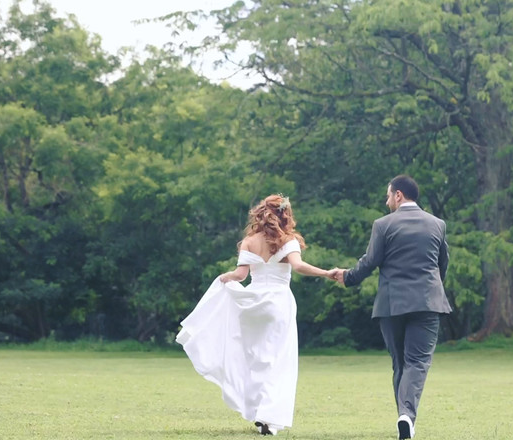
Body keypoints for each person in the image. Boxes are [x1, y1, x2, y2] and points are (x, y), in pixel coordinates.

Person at [176, 194, 338, 436]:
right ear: (285, 214)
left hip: (252, 304)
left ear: (261, 213)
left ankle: (257, 410)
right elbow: (299, 267)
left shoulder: (249, 241)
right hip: (278, 303)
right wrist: (327, 273)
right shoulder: (289, 240)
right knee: (278, 361)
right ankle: (269, 418)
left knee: (254, 359)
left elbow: (240, 275)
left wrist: (225, 278)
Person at [335, 175, 451, 440]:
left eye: (388, 196)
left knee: (400, 363)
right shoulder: (437, 224)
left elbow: (370, 261)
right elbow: (442, 264)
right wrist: (432, 291)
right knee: (418, 362)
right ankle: (406, 417)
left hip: (391, 304)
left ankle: (404, 417)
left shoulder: (383, 225)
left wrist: (348, 277)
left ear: (398, 195)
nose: (387, 201)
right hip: (427, 302)